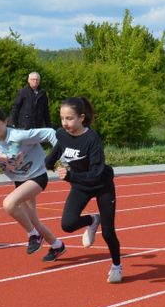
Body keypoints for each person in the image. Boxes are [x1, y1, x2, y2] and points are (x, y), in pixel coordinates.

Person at [0, 107, 66, 259]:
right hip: (20, 181)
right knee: (33, 220)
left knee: (9, 204)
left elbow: (51, 133)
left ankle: (34, 236)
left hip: (36, 177)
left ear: (5, 123)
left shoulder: (18, 136)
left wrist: (62, 159)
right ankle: (57, 245)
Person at [43, 97, 124, 283]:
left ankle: (116, 266)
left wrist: (70, 176)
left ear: (81, 118)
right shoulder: (62, 135)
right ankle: (92, 220)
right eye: (62, 118)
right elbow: (50, 160)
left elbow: (95, 173)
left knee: (108, 233)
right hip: (81, 186)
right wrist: (54, 168)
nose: (65, 123)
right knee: (68, 224)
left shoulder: (92, 139)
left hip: (102, 185)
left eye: (70, 118)